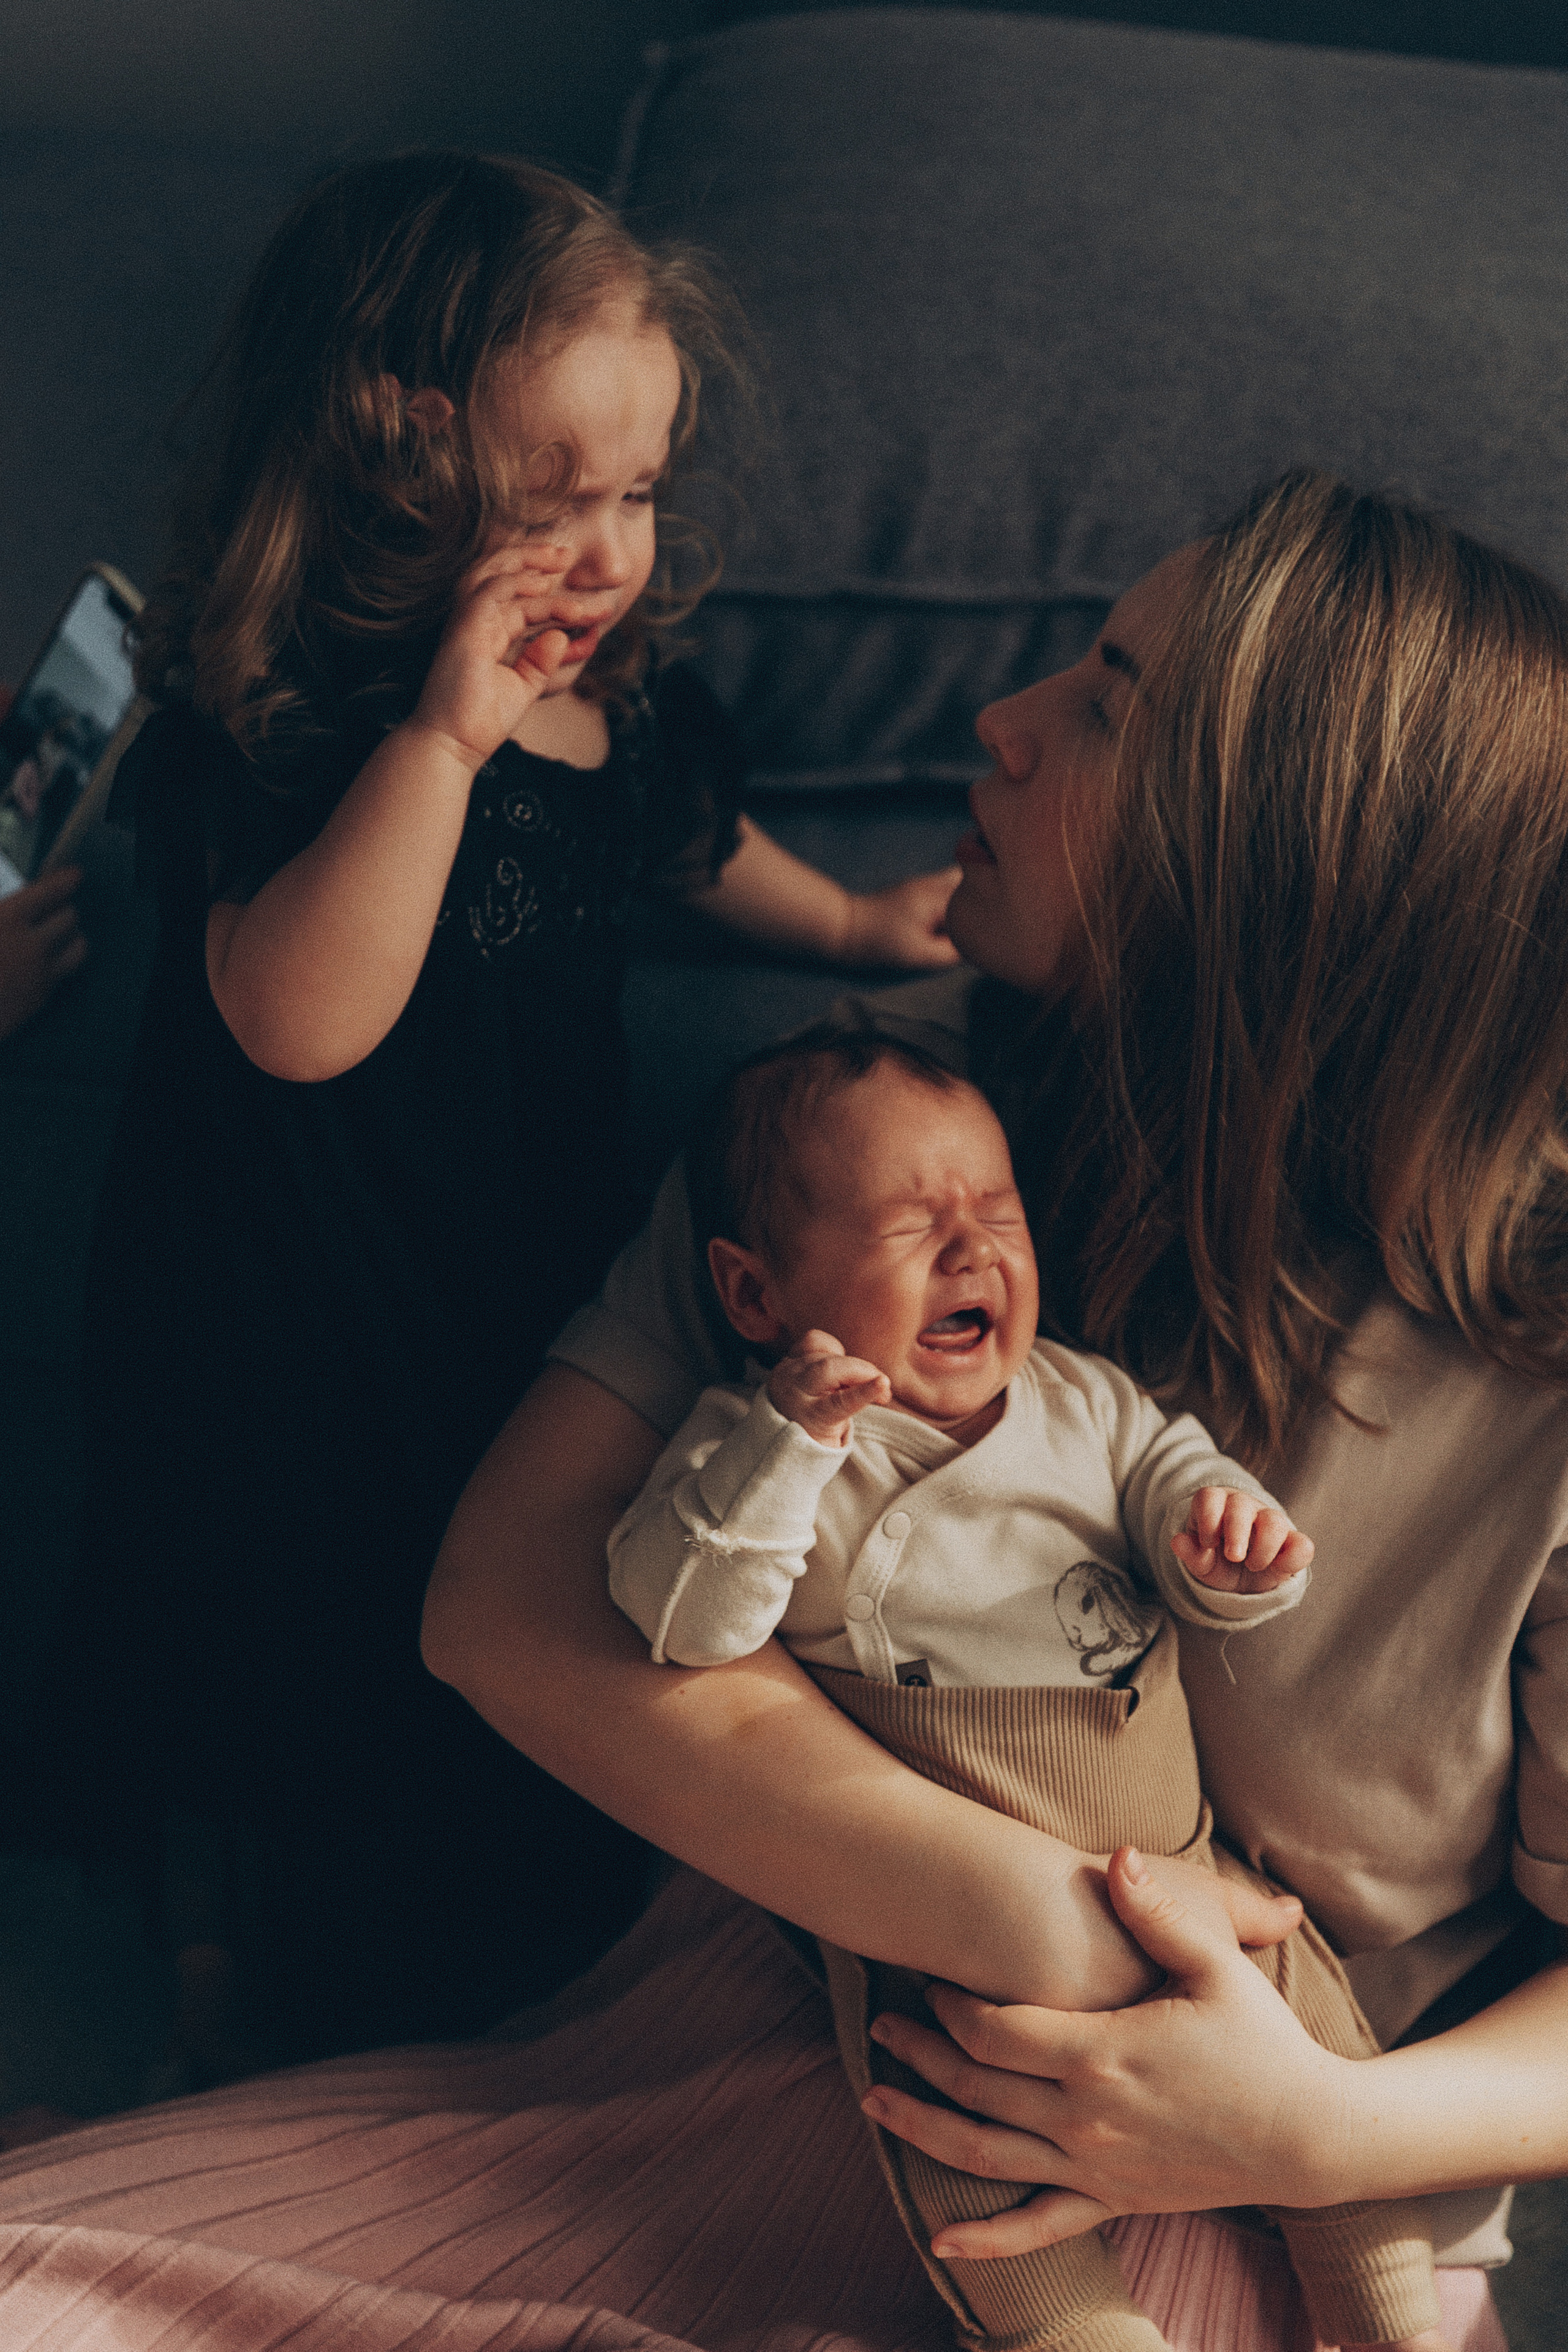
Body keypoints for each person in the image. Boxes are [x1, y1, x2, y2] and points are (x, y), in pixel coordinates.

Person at [418, 473, 1568, 2350]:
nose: (1000, 723)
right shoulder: (871, 1139)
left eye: (1107, 700)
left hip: (1254, 2175)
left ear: (1282, 867)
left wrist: (1327, 2124)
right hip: (783, 2032)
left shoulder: (1540, 1364)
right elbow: (503, 1608)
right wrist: (1028, 1913)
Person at [51, 150, 962, 2075]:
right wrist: (444, 738)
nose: (616, 548)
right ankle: (219, 1973)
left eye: (639, 493)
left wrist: (857, 921)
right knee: (253, 1631)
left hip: (492, 1257)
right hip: (272, 1301)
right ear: (400, 445)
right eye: (563, 503)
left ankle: (437, 1924)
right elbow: (295, 1022)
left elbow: (688, 849)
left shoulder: (609, 694)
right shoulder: (289, 711)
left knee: (448, 1609)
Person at [609, 1025, 1446, 2351]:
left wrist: (1226, 1543)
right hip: (938, 1928)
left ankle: (1390, 2319)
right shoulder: (760, 1446)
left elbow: (1182, 1477)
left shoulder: (1084, 1403)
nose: (972, 1251)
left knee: (1328, 2073)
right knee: (956, 2142)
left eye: (997, 1213)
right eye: (909, 1223)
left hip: (1182, 1871)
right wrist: (789, 1447)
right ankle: (1081, 2334)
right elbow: (680, 1622)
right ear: (757, 1294)